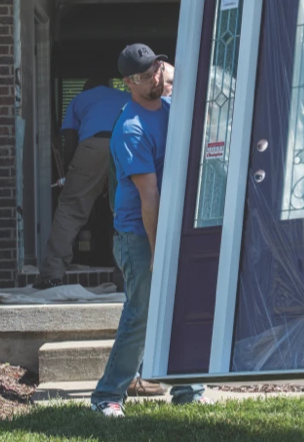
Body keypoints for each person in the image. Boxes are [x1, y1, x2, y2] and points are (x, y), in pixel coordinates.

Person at [91, 43, 209, 417]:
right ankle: (107, 397)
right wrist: (160, 252)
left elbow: (180, 71)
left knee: (183, 304)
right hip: (140, 233)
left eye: (158, 70)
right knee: (141, 312)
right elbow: (149, 197)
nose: (156, 79)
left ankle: (189, 390)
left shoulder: (171, 105)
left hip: (170, 227)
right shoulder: (131, 128)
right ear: (128, 82)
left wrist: (165, 67)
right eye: (146, 77)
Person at [37, 75, 132, 288]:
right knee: (125, 210)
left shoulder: (80, 99)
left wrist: (73, 173)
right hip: (126, 146)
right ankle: (126, 276)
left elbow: (69, 139)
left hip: (93, 146)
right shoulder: (125, 95)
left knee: (71, 209)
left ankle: (52, 274)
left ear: (86, 88)